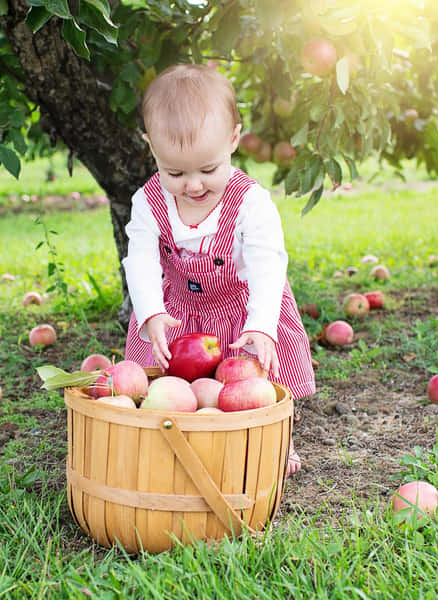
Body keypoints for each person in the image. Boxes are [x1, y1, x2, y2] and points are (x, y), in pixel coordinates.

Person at [122, 63, 315, 476]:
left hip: (241, 310)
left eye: (208, 170)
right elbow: (139, 258)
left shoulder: (250, 202)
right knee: (167, 384)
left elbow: (268, 263)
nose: (193, 185)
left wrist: (263, 324)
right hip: (177, 311)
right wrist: (152, 313)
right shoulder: (148, 201)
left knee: (256, 383)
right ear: (151, 148)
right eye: (175, 172)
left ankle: (277, 441)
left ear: (233, 141)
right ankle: (175, 440)